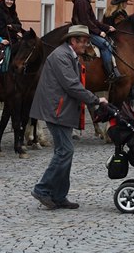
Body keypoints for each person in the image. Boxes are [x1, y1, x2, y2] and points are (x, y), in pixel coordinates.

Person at [30, 25, 108, 209]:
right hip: (56, 109)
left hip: (61, 108)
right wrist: (95, 99)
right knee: (65, 151)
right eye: (84, 42)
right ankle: (42, 189)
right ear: (73, 41)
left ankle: (58, 196)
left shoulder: (68, 55)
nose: (86, 45)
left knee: (65, 152)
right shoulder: (61, 56)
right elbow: (72, 85)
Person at [71, 0, 121, 81]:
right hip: (83, 31)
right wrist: (99, 32)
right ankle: (110, 73)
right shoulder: (81, 2)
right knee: (105, 45)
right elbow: (86, 21)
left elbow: (94, 21)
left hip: (86, 30)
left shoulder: (85, 1)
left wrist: (107, 27)